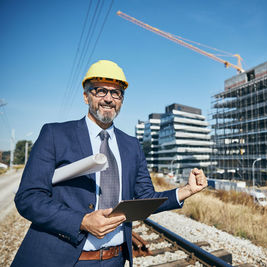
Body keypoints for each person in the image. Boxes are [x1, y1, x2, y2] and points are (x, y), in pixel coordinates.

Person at [11, 60, 208, 267]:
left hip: (115, 260)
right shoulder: (55, 135)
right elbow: (28, 197)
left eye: (116, 93)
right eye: (100, 91)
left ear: (122, 100)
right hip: (66, 259)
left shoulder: (131, 145)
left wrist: (186, 190)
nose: (108, 99)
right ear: (86, 96)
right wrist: (82, 221)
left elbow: (146, 198)